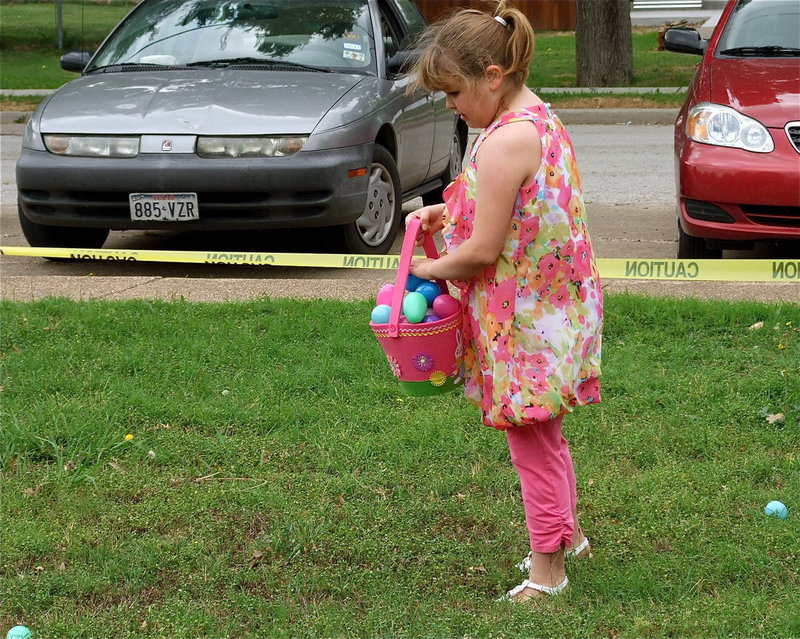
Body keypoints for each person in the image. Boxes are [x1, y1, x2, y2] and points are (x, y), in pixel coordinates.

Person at [405, 0, 603, 603]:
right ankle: (569, 538)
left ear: (492, 77)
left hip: (525, 322)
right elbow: (518, 210)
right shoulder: (538, 119)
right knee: (548, 434)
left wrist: (429, 265)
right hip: (560, 310)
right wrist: (452, 209)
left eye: (454, 92)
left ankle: (548, 572)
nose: (450, 106)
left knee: (531, 442)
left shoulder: (502, 143)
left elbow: (483, 251)